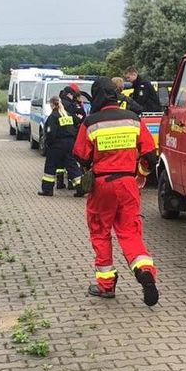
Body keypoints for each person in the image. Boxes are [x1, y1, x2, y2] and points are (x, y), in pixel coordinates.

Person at [72, 76, 160, 306]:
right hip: (128, 184)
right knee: (130, 233)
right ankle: (145, 271)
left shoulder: (91, 123)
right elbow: (151, 156)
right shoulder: (133, 119)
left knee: (101, 233)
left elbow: (80, 156)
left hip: (102, 186)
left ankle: (106, 286)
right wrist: (141, 171)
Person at [37, 96, 85, 197]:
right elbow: (76, 125)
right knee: (72, 166)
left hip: (57, 145)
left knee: (50, 166)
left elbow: (50, 133)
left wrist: (48, 144)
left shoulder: (53, 116)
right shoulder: (67, 115)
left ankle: (47, 190)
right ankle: (81, 188)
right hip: (70, 144)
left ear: (52, 104)